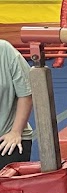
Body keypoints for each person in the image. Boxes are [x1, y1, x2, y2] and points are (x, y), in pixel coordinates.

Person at [0, 40, 33, 169]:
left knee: (7, 176)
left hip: (7, 136)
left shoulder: (5, 50)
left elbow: (26, 93)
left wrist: (15, 132)